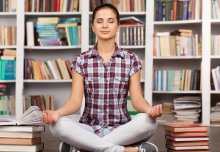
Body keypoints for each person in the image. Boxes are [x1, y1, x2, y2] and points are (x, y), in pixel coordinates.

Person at [42, 3, 162, 152]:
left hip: (121, 129)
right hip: (89, 128)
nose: (105, 25)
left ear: (118, 25)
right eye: (99, 21)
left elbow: (137, 100)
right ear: (93, 26)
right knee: (58, 126)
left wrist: (149, 110)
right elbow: (75, 101)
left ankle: (83, 148)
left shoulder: (131, 59)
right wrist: (57, 113)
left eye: (110, 21)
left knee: (148, 121)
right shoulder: (81, 60)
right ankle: (122, 150)